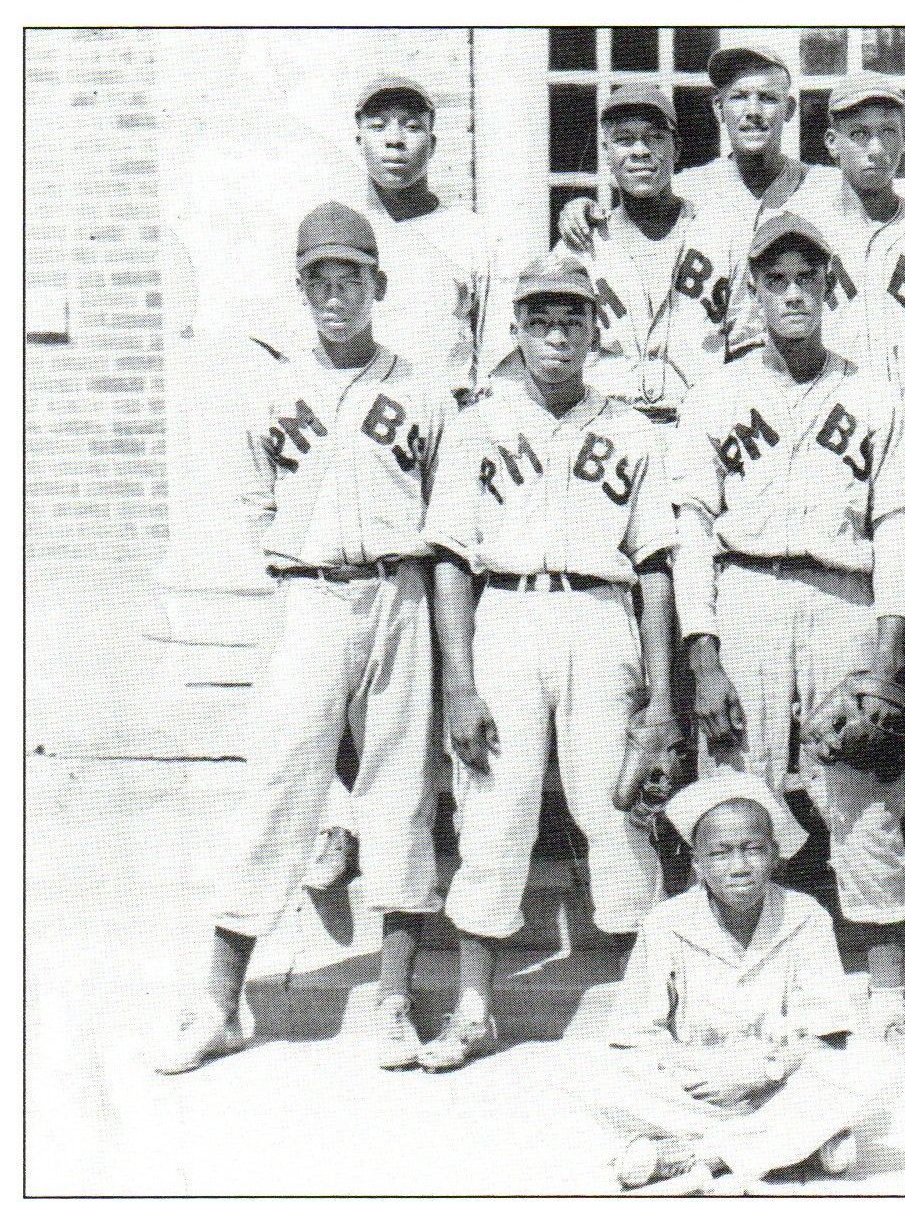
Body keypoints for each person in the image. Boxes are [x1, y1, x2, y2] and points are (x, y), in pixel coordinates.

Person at [155, 202, 451, 1074]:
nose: (334, 295)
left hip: (399, 593)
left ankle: (393, 1003)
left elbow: (444, 515)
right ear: (301, 289)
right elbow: (256, 503)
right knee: (278, 788)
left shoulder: (422, 388)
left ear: (377, 286)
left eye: (348, 278)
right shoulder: (272, 389)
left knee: (401, 795)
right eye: (318, 280)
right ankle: (221, 1002)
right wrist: (297, 567)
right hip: (309, 596)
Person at [671, 213, 905, 1057]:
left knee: (863, 797)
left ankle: (887, 998)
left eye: (805, 280)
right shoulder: (715, 395)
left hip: (842, 596)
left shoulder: (872, 394)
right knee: (734, 797)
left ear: (828, 289)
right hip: (745, 593)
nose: (790, 295)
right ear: (753, 292)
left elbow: (895, 526)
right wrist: (702, 653)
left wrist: (889, 647)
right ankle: (734, 995)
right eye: (774, 281)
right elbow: (692, 531)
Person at [417, 255, 676, 1071]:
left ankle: (650, 1010)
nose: (557, 336)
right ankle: (473, 1009)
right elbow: (449, 559)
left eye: (572, 321)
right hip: (506, 613)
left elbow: (656, 565)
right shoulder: (479, 423)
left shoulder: (632, 428)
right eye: (540, 321)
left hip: (599, 613)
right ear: (517, 331)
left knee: (617, 808)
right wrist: (459, 684)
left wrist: (661, 697)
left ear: (597, 330)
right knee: (495, 812)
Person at [302, 73, 497, 891]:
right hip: (360, 450)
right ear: (358, 135)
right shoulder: (333, 235)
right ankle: (339, 820)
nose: (394, 140)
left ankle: (439, 812)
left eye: (410, 125)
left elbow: (492, 358)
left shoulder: (471, 236)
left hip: (441, 441)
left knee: (437, 639)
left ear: (432, 139)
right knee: (339, 652)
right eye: (378, 124)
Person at [570, 770, 898, 1195]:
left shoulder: (806, 916)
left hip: (777, 1081)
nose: (740, 867)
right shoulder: (665, 923)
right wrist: (708, 1071)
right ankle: (791, 1145)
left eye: (753, 849)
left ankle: (698, 1155)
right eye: (721, 853)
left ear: (775, 856)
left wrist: (761, 1071)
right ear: (697, 864)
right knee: (590, 1074)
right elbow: (635, 1034)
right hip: (697, 1085)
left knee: (878, 1067)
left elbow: (826, 1032)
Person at [775, 74, 905, 411]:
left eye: (888, 132)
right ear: (832, 142)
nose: (876, 149)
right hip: (823, 420)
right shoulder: (798, 233)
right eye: (859, 134)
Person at [551, 83, 742, 426]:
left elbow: (751, 346)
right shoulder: (579, 247)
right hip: (604, 429)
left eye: (655, 137)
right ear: (606, 152)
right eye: (624, 139)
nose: (640, 151)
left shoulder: (724, 235)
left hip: (702, 426)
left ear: (676, 149)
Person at [557, 45, 826, 252]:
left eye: (767, 98)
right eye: (739, 97)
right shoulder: (687, 189)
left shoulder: (824, 187)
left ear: (789, 109)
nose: (752, 111)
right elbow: (627, 227)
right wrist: (581, 211)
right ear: (718, 108)